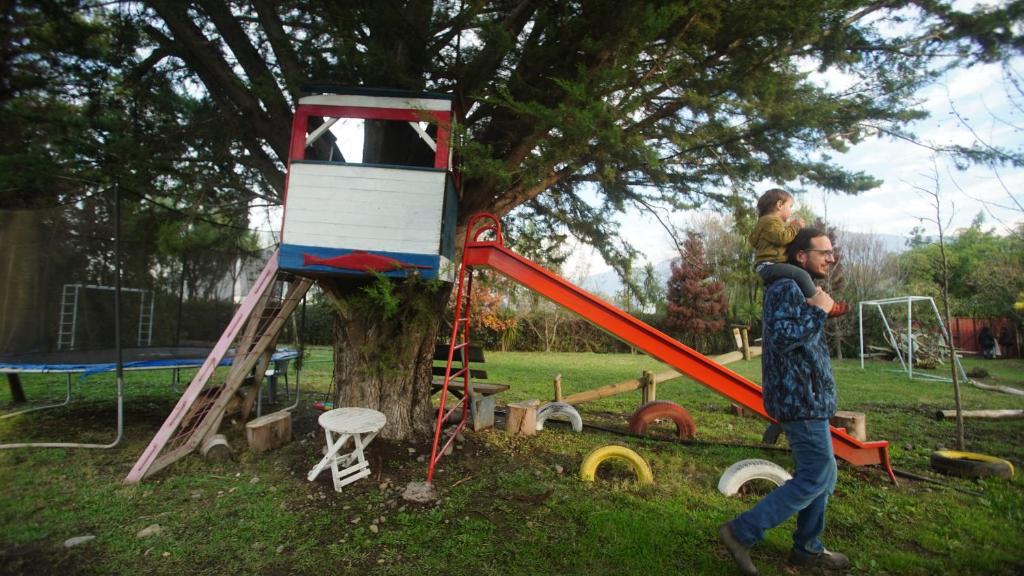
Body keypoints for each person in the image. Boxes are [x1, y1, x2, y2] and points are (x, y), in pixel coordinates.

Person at [719, 227, 850, 575]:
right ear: (801, 256)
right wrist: (820, 311)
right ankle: (740, 532)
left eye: (831, 252)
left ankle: (807, 549)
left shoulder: (800, 287)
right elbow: (781, 339)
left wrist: (818, 308)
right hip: (799, 399)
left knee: (822, 473)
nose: (831, 258)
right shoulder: (785, 287)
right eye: (823, 252)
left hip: (809, 398)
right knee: (816, 474)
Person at [748, 189, 848, 317]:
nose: (791, 211)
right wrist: (795, 226)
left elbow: (754, 241)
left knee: (801, 277)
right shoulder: (771, 221)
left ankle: (818, 300)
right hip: (769, 265)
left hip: (766, 265)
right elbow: (782, 238)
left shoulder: (764, 223)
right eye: (790, 206)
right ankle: (824, 306)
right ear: (779, 205)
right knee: (802, 275)